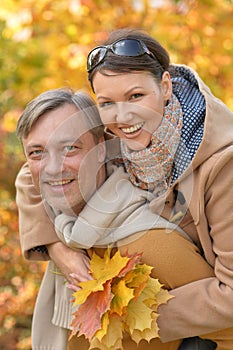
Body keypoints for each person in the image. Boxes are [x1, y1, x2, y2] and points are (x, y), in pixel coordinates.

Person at [16, 88, 217, 350]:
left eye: (70, 148)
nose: (53, 167)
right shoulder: (66, 229)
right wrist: (57, 248)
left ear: (101, 150)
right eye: (37, 153)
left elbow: (226, 329)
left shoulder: (152, 243)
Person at [84, 28, 233, 347]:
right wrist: (58, 251)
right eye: (107, 102)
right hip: (176, 310)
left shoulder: (223, 165)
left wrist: (131, 319)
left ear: (165, 87)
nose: (123, 116)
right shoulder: (113, 140)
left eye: (136, 96)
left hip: (217, 320)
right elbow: (38, 170)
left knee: (145, 239)